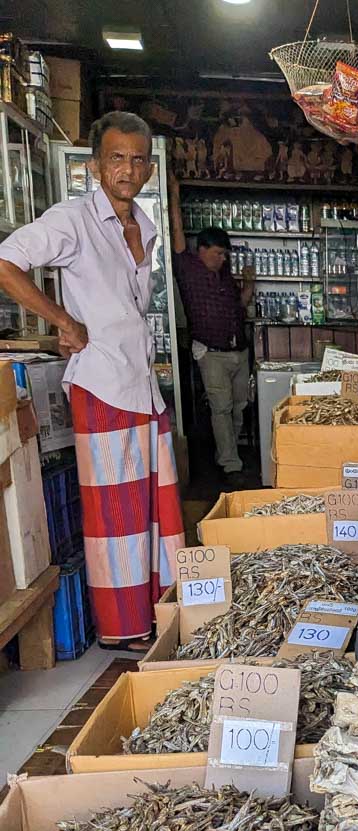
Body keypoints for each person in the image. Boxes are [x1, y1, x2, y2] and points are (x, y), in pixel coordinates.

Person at [0, 110, 185, 651]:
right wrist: (63, 321)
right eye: (116, 158)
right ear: (97, 165)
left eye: (136, 160)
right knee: (116, 517)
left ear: (149, 169)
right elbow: (7, 261)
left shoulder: (143, 228)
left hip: (141, 386)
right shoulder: (73, 219)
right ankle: (122, 628)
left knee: (153, 510)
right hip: (102, 385)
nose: (126, 170)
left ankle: (162, 614)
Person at [168, 174, 255, 474]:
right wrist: (174, 194)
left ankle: (226, 452)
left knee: (239, 407)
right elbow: (177, 231)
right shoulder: (190, 269)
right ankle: (230, 465)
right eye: (218, 253)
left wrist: (249, 283)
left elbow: (240, 307)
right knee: (221, 407)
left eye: (225, 255)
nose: (221, 259)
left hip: (238, 352)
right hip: (212, 353)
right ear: (202, 249)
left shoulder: (225, 276)